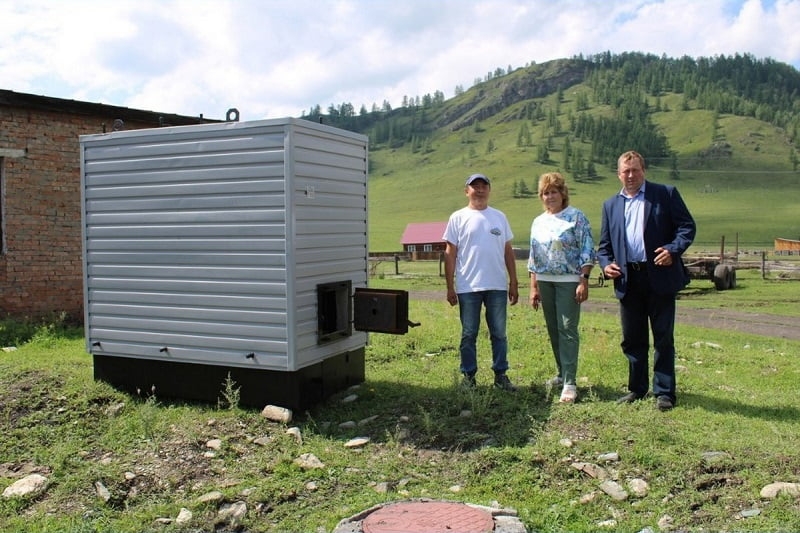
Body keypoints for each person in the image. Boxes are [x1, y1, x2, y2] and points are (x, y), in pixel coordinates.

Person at [597, 150, 696, 411]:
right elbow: (604, 246)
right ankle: (637, 389)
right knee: (632, 338)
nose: (630, 175)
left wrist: (673, 250)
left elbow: (687, 227)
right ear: (618, 174)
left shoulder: (665, 194)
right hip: (628, 279)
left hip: (660, 276)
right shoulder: (610, 205)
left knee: (662, 336)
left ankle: (664, 392)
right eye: (625, 171)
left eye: (635, 170)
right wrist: (607, 265)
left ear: (644, 171)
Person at [443, 173, 519, 391]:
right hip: (468, 286)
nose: (479, 189)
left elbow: (508, 251)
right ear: (466, 191)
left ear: (489, 190)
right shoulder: (457, 217)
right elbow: (450, 253)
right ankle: (468, 377)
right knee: (469, 333)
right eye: (474, 186)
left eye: (483, 186)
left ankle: (501, 375)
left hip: (496, 285)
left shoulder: (499, 217)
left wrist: (513, 282)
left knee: (499, 332)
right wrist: (450, 287)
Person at [528, 172, 595, 403]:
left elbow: (587, 248)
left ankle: (570, 382)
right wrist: (533, 287)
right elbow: (534, 256)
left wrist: (583, 279)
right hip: (545, 280)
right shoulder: (538, 221)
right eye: (545, 193)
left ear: (562, 193)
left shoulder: (576, 217)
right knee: (553, 328)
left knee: (567, 328)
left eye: (553, 192)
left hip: (569, 280)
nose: (549, 197)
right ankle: (561, 372)